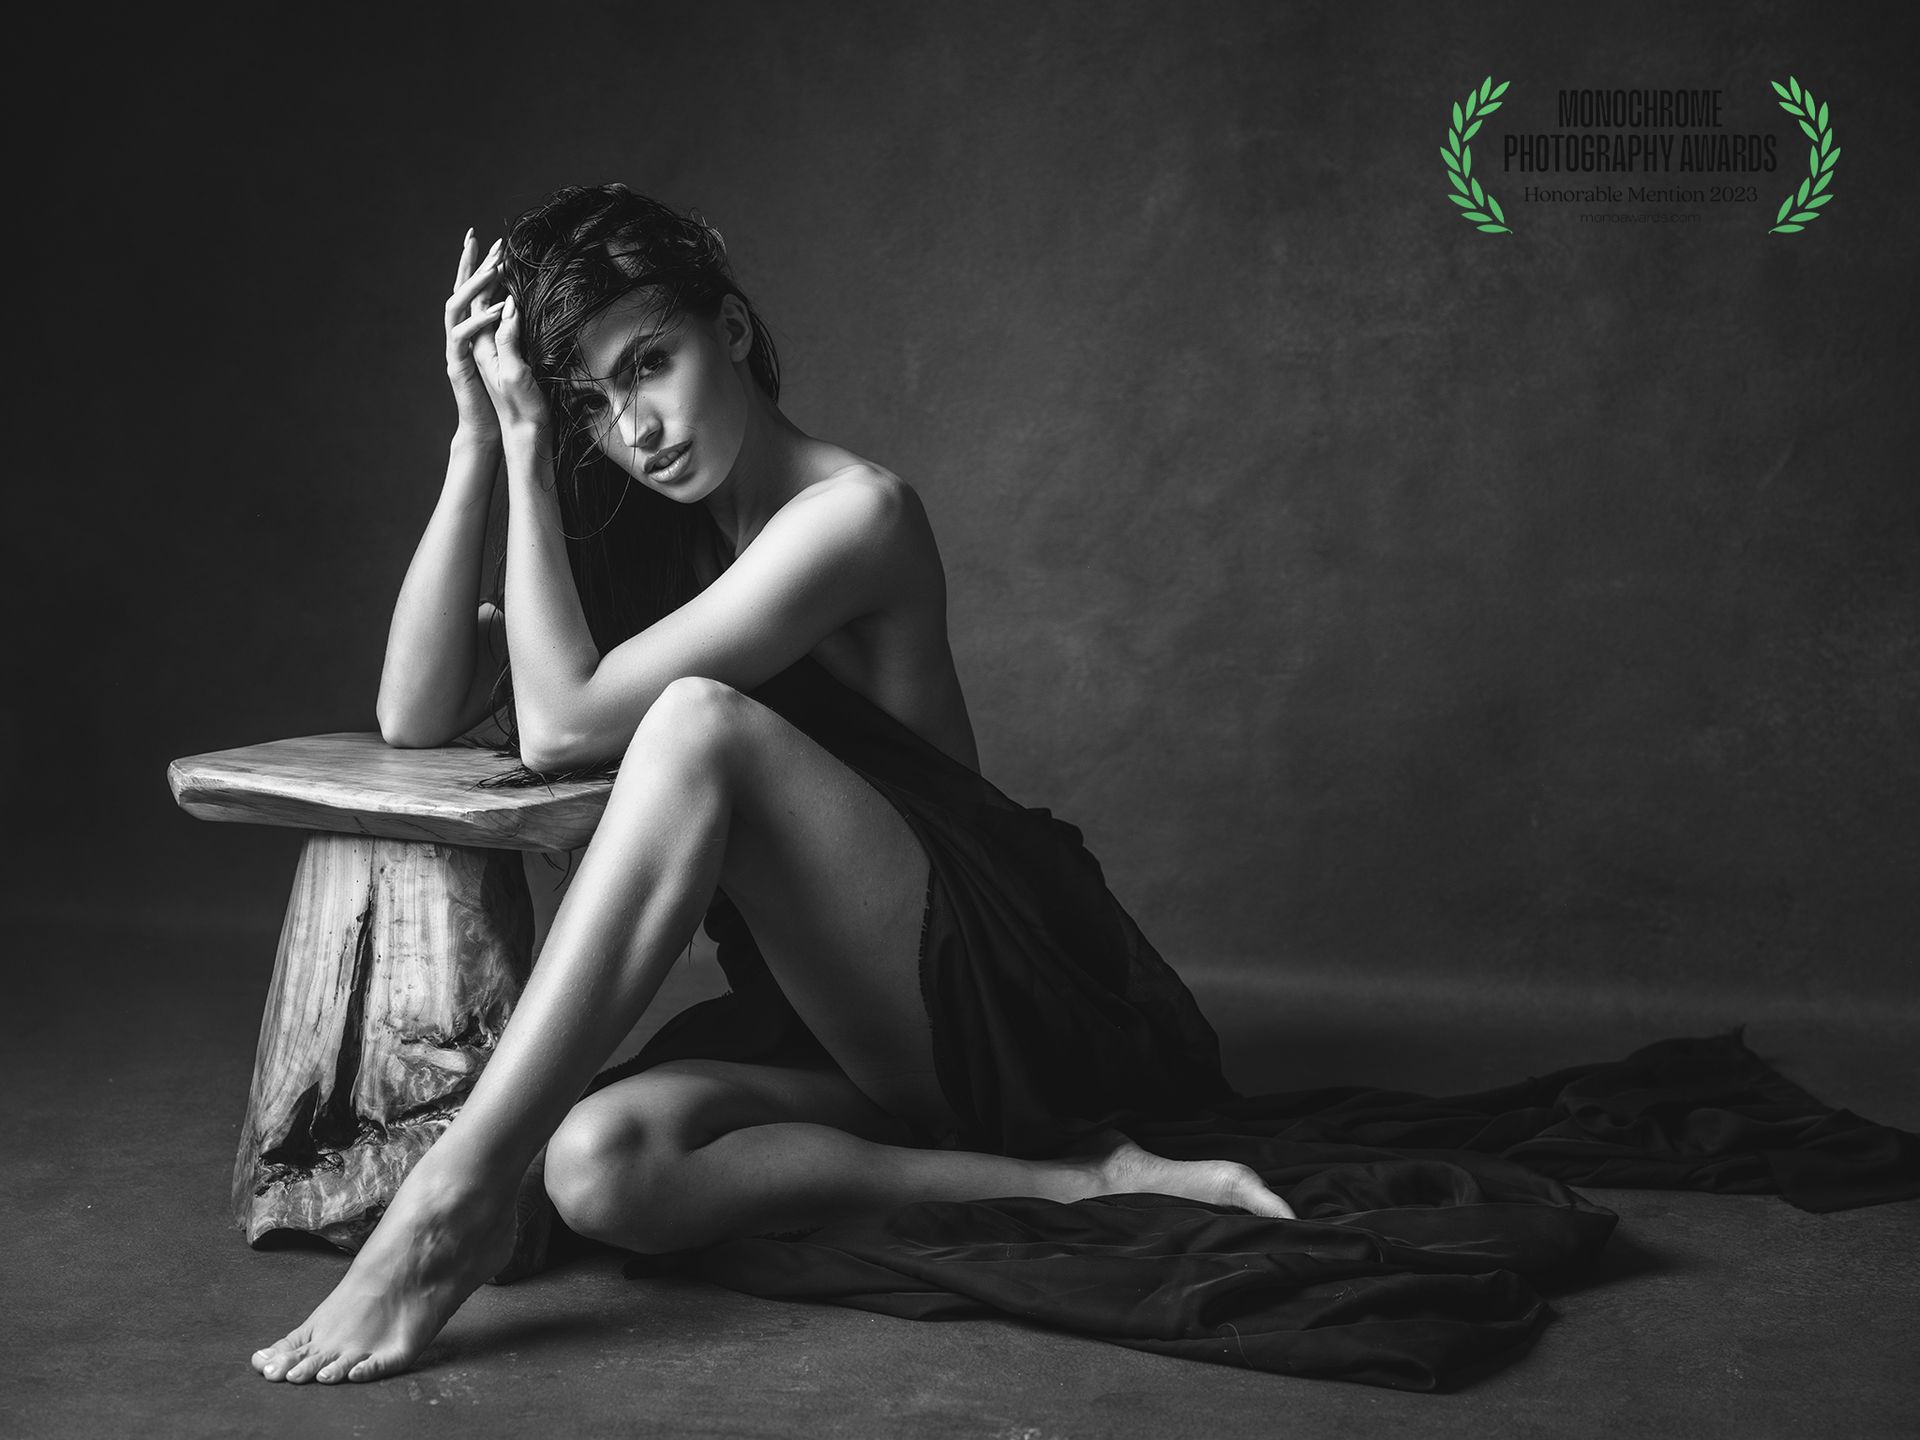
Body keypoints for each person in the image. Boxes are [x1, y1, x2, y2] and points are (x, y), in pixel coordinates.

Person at [251, 184, 1292, 1386]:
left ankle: (447, 1205)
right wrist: (484, 441)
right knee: (600, 1168)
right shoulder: (646, 524)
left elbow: (561, 726)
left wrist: (540, 455)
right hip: (836, 1015)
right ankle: (1074, 1181)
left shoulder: (857, 515)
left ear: (730, 332)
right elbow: (412, 714)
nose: (632, 427)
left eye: (650, 363)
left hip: (992, 986)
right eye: (589, 400)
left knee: (693, 723)